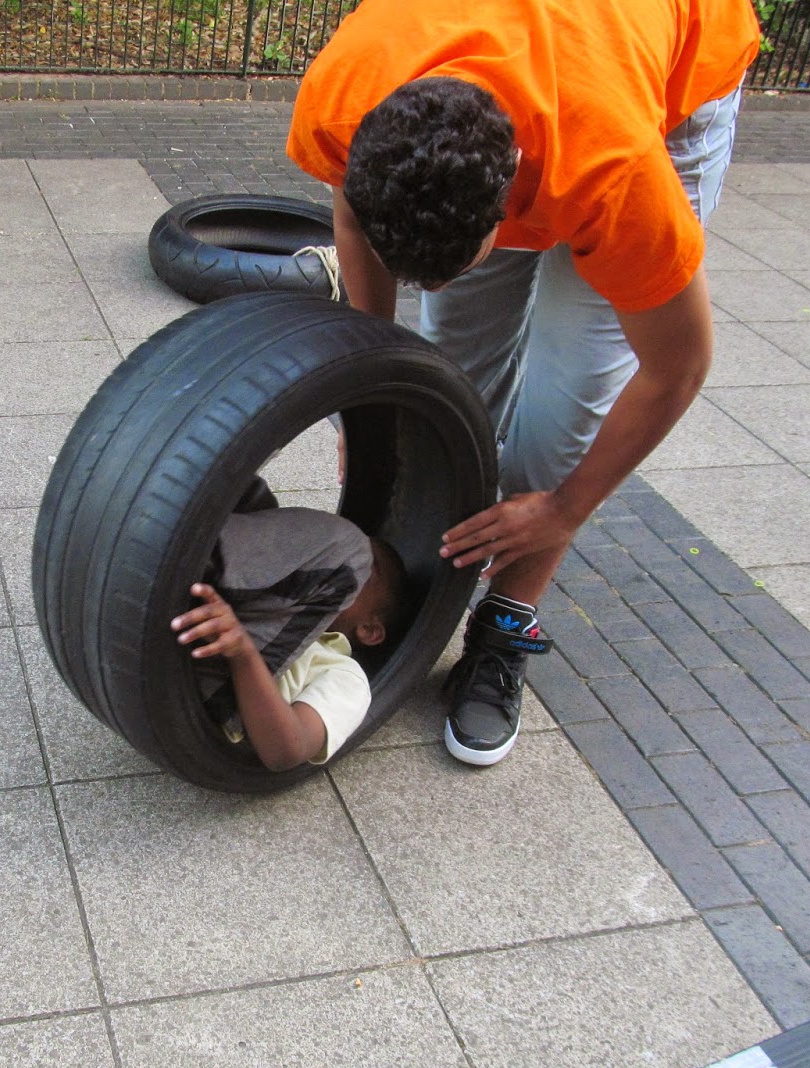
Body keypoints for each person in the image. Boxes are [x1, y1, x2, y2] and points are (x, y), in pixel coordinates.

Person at [286, 0, 760, 766]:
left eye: (459, 260)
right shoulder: (348, 97)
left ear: (506, 203)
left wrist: (565, 508)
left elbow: (677, 367)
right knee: (454, 374)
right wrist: (372, 410)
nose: (438, 287)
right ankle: (434, 578)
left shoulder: (614, 170)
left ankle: (505, 621)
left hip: (657, 84)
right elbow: (354, 227)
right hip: (531, 88)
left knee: (564, 409)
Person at [171, 486, 408, 771]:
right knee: (254, 496)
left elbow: (288, 750)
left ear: (370, 630)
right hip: (191, 617)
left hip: (217, 691)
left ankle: (177, 557)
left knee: (350, 549)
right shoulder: (282, 604)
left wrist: (243, 653)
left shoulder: (346, 675)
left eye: (369, 571)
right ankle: (172, 543)